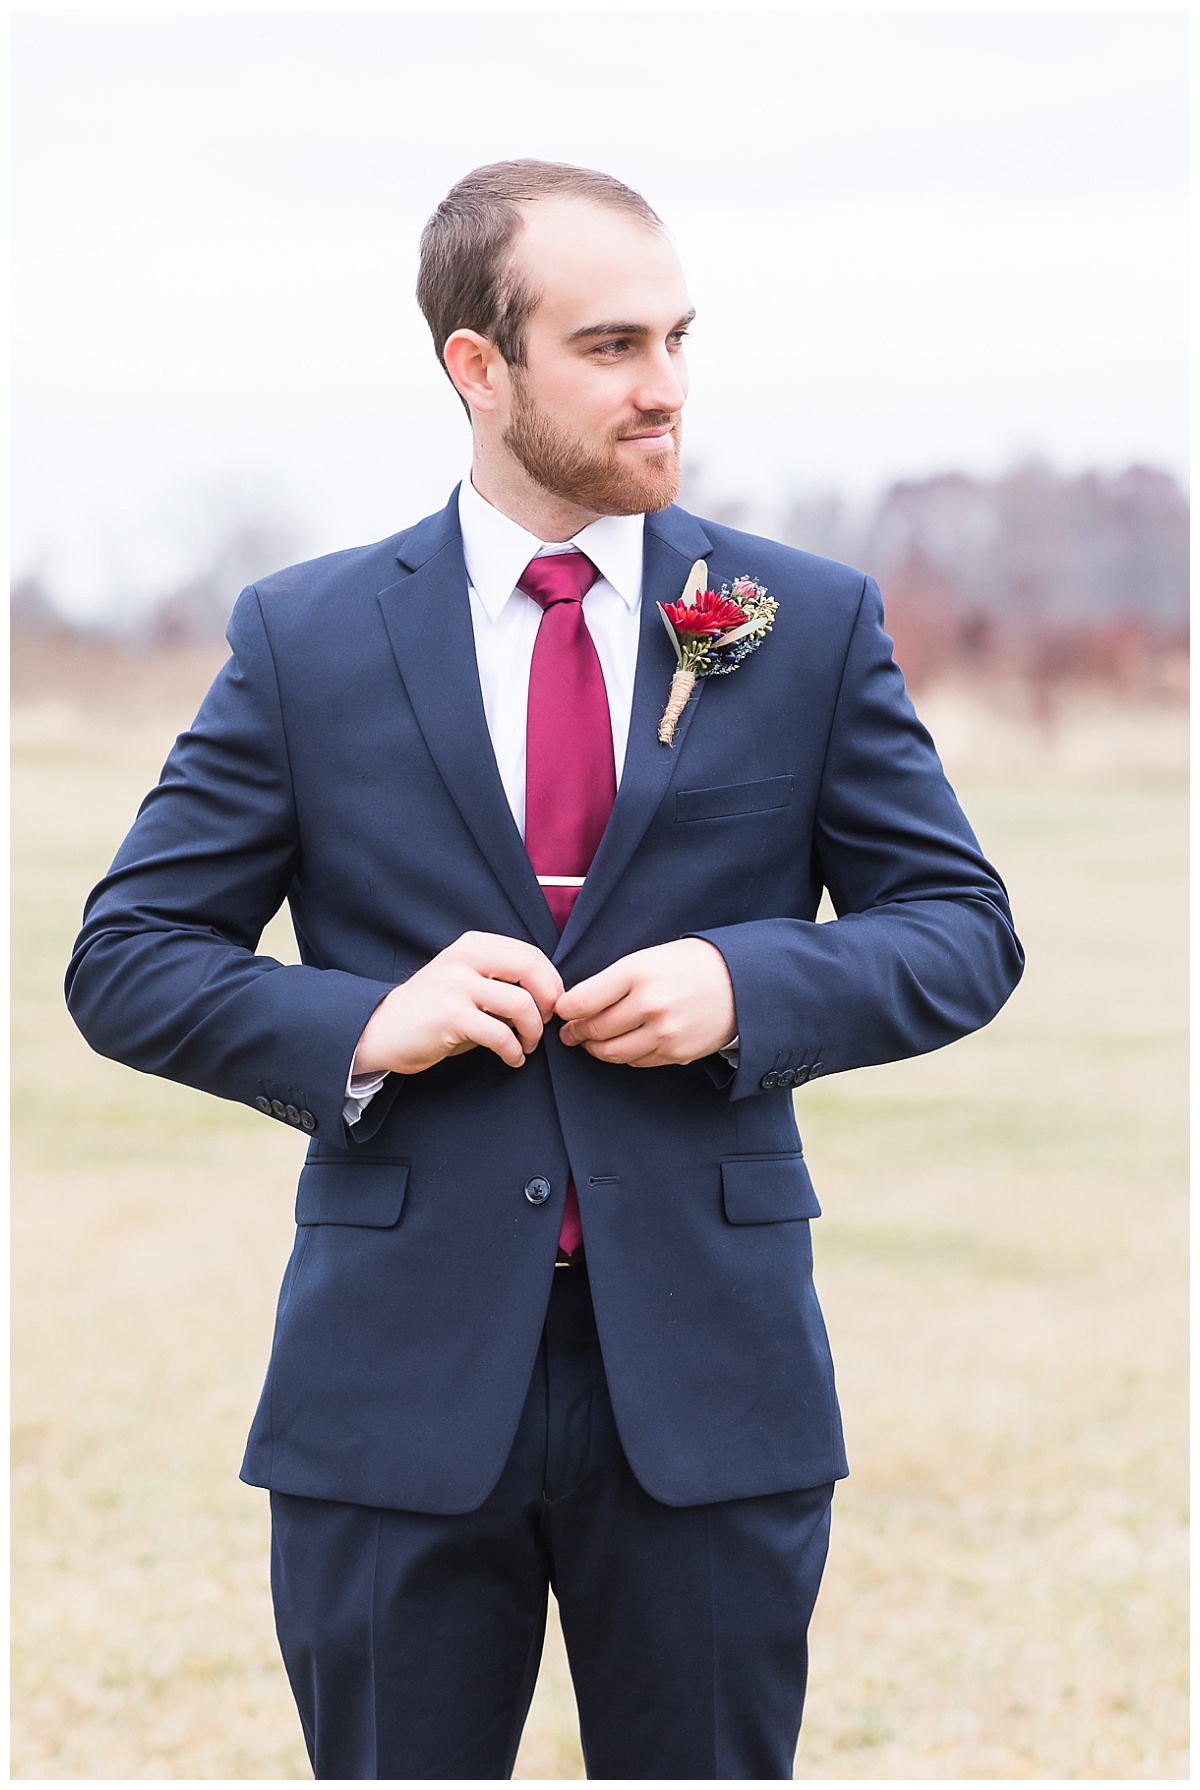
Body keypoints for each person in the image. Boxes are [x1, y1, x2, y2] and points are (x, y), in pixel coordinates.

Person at [66, 159, 1024, 1780]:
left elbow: (961, 925)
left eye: (678, 337)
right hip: (394, 1390)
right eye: (611, 346)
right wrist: (371, 1020)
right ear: (479, 366)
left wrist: (749, 987)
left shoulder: (798, 619)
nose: (667, 386)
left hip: (711, 1385)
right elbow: (128, 957)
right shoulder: (306, 638)